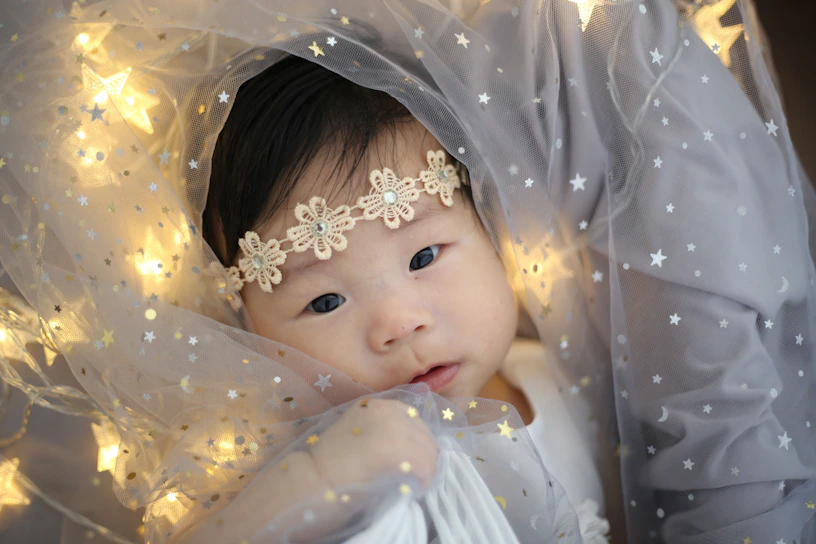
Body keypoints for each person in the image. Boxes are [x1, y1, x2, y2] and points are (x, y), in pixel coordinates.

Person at [182, 54, 612, 542]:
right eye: (325, 302)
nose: (400, 324)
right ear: (249, 334)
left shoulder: (562, 377)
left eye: (423, 257)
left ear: (491, 231)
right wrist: (315, 483)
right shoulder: (302, 476)